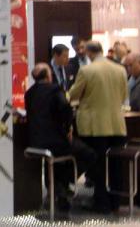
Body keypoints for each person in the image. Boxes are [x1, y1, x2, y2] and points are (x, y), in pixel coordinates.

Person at [25, 63, 96, 211]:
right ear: (48, 76)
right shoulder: (55, 90)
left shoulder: (29, 93)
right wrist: (68, 127)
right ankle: (64, 182)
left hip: (35, 141)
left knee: (55, 161)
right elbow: (65, 108)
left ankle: (58, 188)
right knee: (89, 154)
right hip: (56, 141)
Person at [69, 41, 127, 213]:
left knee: (97, 165)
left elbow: (74, 94)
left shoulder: (86, 71)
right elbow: (124, 95)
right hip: (117, 124)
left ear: (88, 53)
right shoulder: (120, 69)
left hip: (94, 125)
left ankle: (101, 203)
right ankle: (115, 202)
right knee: (116, 165)